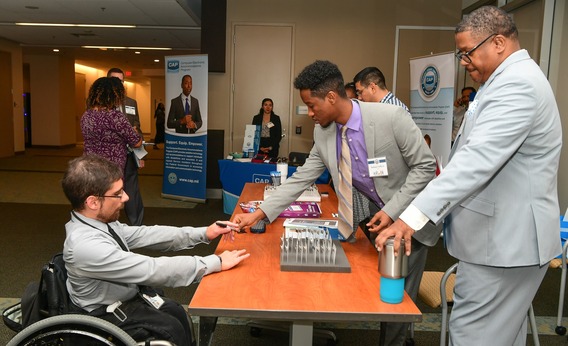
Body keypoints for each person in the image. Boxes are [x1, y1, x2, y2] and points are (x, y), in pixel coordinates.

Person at [375, 6, 562, 346]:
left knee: (470, 337)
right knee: (502, 337)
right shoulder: (503, 82)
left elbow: (477, 161)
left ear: (499, 42)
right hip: (501, 244)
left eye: (467, 53)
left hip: (504, 246)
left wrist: (410, 219)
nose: (464, 62)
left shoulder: (517, 85)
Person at [233, 60, 437, 345]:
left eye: (312, 106)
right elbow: (301, 178)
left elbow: (426, 167)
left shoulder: (391, 117)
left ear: (331, 97)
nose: (310, 113)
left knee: (396, 300)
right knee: (372, 288)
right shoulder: (324, 132)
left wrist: (392, 212)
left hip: (408, 221)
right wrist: (259, 214)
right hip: (370, 219)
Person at [61, 154, 250, 346]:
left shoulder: (97, 223)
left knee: (176, 313)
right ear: (92, 202)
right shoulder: (85, 246)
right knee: (171, 329)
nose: (126, 197)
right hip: (104, 315)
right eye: (117, 193)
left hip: (124, 298)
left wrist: (205, 233)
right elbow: (153, 269)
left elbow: (148, 234)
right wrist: (214, 262)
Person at [106, 67, 145, 226]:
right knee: (108, 190)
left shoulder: (131, 103)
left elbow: (138, 128)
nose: (119, 84)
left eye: (121, 81)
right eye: (115, 80)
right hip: (109, 157)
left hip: (129, 155)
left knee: (132, 190)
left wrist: (140, 154)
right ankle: (107, 225)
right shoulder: (101, 106)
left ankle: (137, 225)